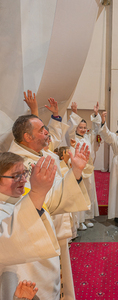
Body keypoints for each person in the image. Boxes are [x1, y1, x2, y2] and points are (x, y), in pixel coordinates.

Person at [8, 114, 91, 300]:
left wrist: (75, 171)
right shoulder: (16, 165)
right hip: (35, 240)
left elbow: (53, 194)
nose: (47, 132)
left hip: (52, 229)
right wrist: (74, 173)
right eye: (41, 130)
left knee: (60, 280)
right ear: (28, 137)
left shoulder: (44, 155)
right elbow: (43, 203)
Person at [0, 152, 60, 299]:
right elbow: (9, 241)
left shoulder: (20, 199)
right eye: (16, 176)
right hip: (21, 287)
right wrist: (37, 193)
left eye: (24, 173)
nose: (24, 180)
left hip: (44, 282)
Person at [65, 101, 102, 230]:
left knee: (89, 192)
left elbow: (97, 129)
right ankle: (78, 221)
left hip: (88, 169)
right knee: (79, 193)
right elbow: (69, 128)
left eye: (84, 127)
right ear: (76, 128)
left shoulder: (88, 137)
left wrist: (96, 114)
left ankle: (86, 218)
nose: (83, 129)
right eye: (80, 127)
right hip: (77, 170)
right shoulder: (71, 137)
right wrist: (74, 112)